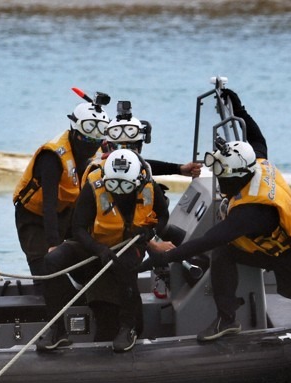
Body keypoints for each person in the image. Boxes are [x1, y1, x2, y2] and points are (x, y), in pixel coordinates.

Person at [143, 87, 291, 341]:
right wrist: (238, 108)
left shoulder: (252, 210)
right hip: (266, 251)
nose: (219, 181)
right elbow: (257, 138)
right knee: (224, 253)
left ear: (237, 176)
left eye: (222, 176)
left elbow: (209, 239)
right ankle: (227, 319)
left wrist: (163, 257)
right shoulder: (257, 163)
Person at [38, 149, 172, 352]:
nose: (118, 191)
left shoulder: (149, 186)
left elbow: (163, 215)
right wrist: (99, 249)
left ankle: (128, 327)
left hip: (129, 244)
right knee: (51, 261)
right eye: (112, 184)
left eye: (125, 185)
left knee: (126, 265)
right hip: (94, 244)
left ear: (137, 181)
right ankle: (57, 330)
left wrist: (150, 232)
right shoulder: (94, 186)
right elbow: (78, 228)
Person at [13, 91, 110, 279]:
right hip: (34, 217)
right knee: (47, 272)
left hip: (67, 213)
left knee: (88, 259)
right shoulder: (52, 157)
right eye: (87, 139)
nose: (91, 145)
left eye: (96, 141)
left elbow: (128, 164)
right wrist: (53, 245)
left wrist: (175, 169)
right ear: (75, 130)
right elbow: (48, 204)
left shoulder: (98, 151)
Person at [99, 101, 202, 178]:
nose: (124, 155)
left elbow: (145, 165)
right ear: (107, 146)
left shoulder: (143, 170)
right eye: (119, 147)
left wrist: (179, 169)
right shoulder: (96, 171)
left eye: (130, 147)